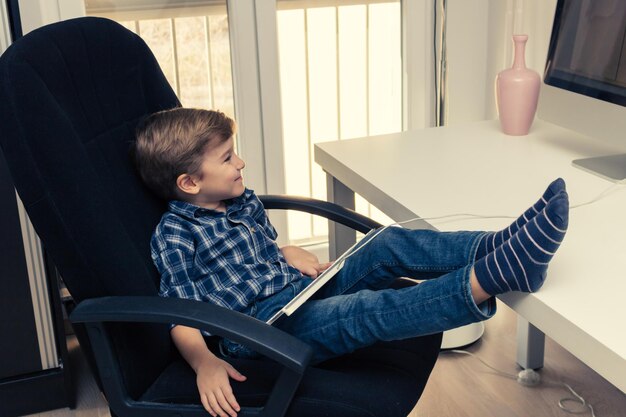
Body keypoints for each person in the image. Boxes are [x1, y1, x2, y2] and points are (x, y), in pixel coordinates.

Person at [134, 107, 569, 417]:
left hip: (294, 292)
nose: (241, 162)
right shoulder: (175, 235)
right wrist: (205, 363)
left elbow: (255, 255)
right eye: (227, 158)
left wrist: (285, 252)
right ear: (190, 182)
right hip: (259, 333)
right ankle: (491, 277)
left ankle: (497, 245)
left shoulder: (240, 201)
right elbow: (182, 314)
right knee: (359, 311)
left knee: (381, 244)